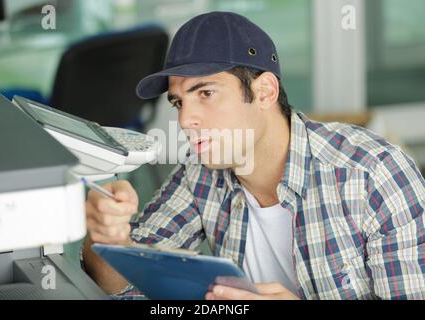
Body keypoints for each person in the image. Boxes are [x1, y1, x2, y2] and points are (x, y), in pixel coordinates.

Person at [82, 11, 425, 300]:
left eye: (206, 93)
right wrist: (108, 239)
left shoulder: (374, 174)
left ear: (265, 91)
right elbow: (126, 287)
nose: (186, 120)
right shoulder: (199, 171)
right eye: (179, 102)